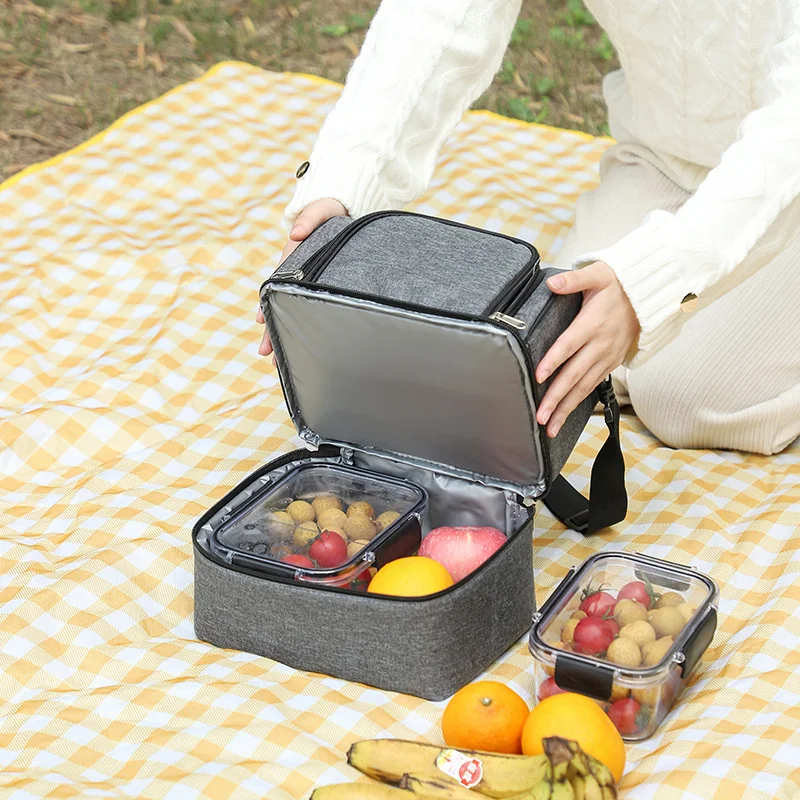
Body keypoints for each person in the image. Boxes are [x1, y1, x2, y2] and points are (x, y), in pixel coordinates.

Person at [257, 0, 800, 455]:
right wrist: (344, 187)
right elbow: (440, 18)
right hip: (663, 158)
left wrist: (654, 282)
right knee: (542, 347)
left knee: (684, 398)